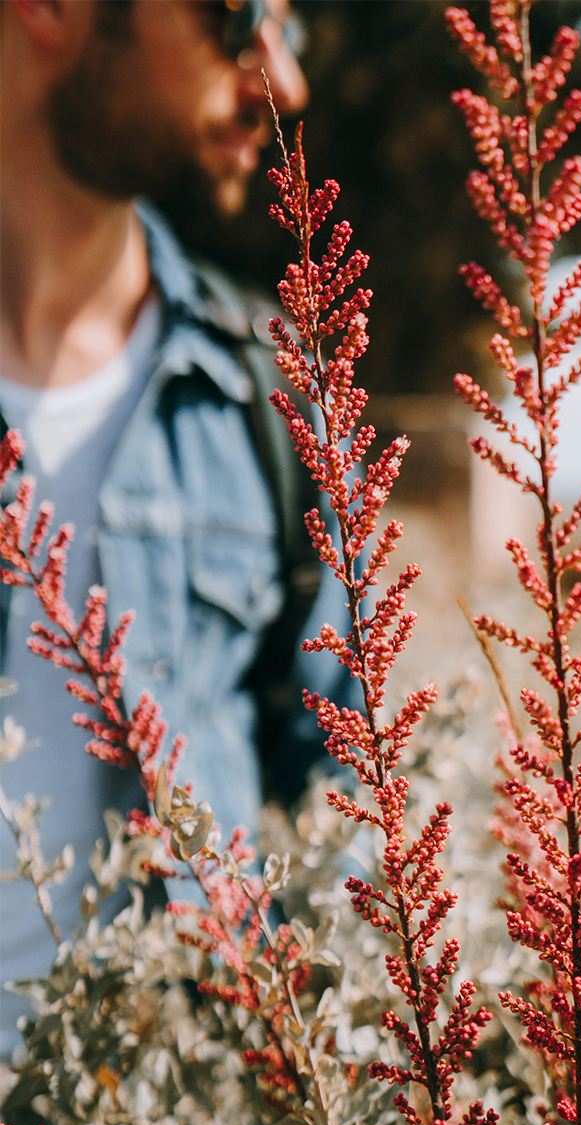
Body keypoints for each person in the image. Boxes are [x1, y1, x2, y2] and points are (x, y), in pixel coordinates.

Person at [0, 0, 349, 1056]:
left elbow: (346, 793)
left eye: (294, 28)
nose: (281, 81)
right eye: (237, 15)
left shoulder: (267, 398)